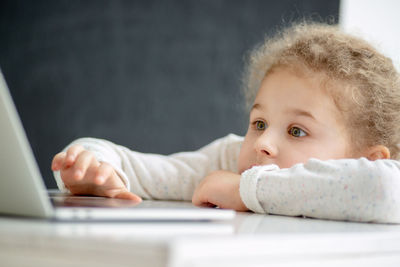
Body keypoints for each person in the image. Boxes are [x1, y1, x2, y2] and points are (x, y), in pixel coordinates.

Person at [51, 22, 400, 223]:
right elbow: (141, 168)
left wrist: (242, 192)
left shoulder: (239, 182)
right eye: (259, 123)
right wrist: (93, 166)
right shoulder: (232, 161)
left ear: (368, 160)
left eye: (297, 131)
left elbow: (383, 191)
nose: (263, 142)